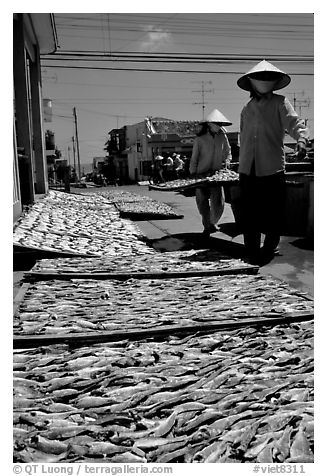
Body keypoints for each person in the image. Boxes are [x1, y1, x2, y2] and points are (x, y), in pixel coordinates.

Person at [237, 60, 310, 265]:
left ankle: (268, 248)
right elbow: (243, 139)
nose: (264, 81)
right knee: (250, 213)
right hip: (247, 168)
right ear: (251, 83)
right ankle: (251, 251)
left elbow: (294, 123)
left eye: (269, 78)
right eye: (261, 78)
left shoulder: (280, 102)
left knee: (273, 212)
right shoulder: (247, 107)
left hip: (272, 166)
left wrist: (302, 140)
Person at [189, 108, 232, 237]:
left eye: (220, 124)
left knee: (218, 201)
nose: (219, 127)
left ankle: (213, 222)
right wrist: (193, 174)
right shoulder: (200, 139)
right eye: (216, 124)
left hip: (216, 174)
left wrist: (228, 161)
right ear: (209, 124)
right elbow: (194, 158)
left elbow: (228, 151)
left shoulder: (222, 136)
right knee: (202, 202)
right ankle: (207, 226)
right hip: (201, 174)